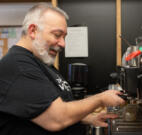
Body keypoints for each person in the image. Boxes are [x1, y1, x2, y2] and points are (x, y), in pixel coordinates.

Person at [0, 3, 125, 135]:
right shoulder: (19, 66)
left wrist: (89, 118)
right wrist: (100, 99)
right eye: (57, 35)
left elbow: (45, 111)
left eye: (64, 37)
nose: (63, 44)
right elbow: (57, 119)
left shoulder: (41, 61)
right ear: (33, 31)